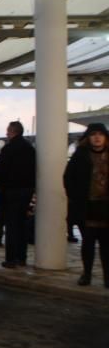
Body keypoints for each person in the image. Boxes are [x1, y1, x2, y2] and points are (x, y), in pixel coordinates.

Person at [64, 123, 109, 287]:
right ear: (88, 137)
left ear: (105, 137)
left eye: (100, 134)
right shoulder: (80, 155)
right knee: (88, 242)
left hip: (105, 206)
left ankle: (107, 277)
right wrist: (75, 198)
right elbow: (68, 178)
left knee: (106, 244)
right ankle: (87, 274)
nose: (97, 137)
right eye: (93, 134)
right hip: (87, 205)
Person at [0, 121, 36, 269]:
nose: (6, 134)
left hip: (11, 191)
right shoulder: (30, 149)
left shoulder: (8, 148)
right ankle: (22, 257)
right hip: (26, 191)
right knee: (22, 224)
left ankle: (11, 258)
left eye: (8, 131)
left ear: (12, 132)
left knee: (11, 225)